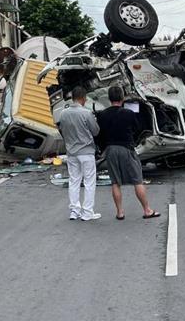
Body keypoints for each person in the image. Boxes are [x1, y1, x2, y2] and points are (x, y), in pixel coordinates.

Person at [96, 85, 159, 220]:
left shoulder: (102, 115)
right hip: (126, 148)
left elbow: (99, 134)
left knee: (115, 182)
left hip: (111, 150)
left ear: (109, 98)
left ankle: (120, 212)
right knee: (137, 180)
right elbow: (137, 129)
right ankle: (147, 210)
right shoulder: (129, 113)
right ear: (122, 97)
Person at [57, 86, 101, 221]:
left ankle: (74, 211)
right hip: (86, 152)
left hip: (71, 152)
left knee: (74, 181)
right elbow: (95, 131)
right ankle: (87, 212)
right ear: (83, 98)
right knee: (89, 182)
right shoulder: (86, 113)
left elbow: (62, 130)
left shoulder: (63, 113)